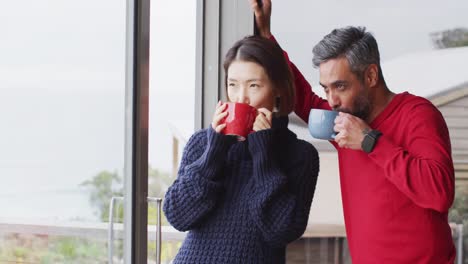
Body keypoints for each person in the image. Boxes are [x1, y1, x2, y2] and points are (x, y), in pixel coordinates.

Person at [250, 0, 456, 263]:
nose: (332, 100)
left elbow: (439, 194)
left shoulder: (418, 114)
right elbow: (302, 97)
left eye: (340, 86)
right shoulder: (344, 123)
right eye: (326, 88)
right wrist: (267, 36)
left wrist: (371, 141)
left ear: (370, 76)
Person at [163, 35, 320, 263]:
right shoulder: (202, 143)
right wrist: (213, 153)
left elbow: (281, 230)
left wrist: (263, 155)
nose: (241, 98)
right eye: (232, 85)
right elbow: (178, 216)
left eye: (254, 86)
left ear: (277, 89)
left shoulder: (299, 155)